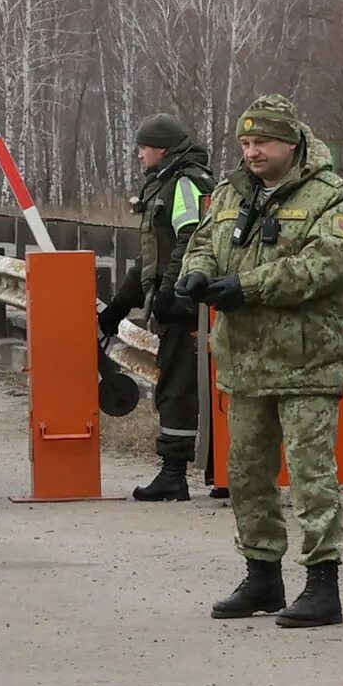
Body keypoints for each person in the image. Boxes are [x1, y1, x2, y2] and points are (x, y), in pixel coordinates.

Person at [177, 94, 343, 629]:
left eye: (262, 143)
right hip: (245, 360)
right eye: (246, 143)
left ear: (291, 142)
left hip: (307, 361)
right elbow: (204, 243)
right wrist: (196, 272)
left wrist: (247, 287)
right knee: (248, 473)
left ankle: (322, 583)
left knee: (311, 475)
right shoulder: (232, 193)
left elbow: (326, 264)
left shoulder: (332, 196)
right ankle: (262, 572)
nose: (252, 152)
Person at [98, 115, 213, 501]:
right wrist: (118, 306)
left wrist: (168, 291)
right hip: (178, 301)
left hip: (186, 305)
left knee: (177, 387)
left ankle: (174, 476)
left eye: (143, 148)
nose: (139, 155)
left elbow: (191, 240)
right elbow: (152, 259)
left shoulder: (184, 183)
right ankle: (214, 472)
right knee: (186, 385)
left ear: (161, 148)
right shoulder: (165, 184)